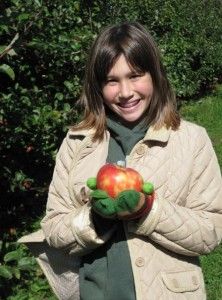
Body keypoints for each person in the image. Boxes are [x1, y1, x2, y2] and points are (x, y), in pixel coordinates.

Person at [19, 22, 222, 300]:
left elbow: (210, 233)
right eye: (111, 80)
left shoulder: (191, 140)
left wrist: (147, 209)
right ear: (98, 86)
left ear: (155, 75)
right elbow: (53, 229)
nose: (125, 92)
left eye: (136, 75)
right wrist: (93, 218)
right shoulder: (78, 142)